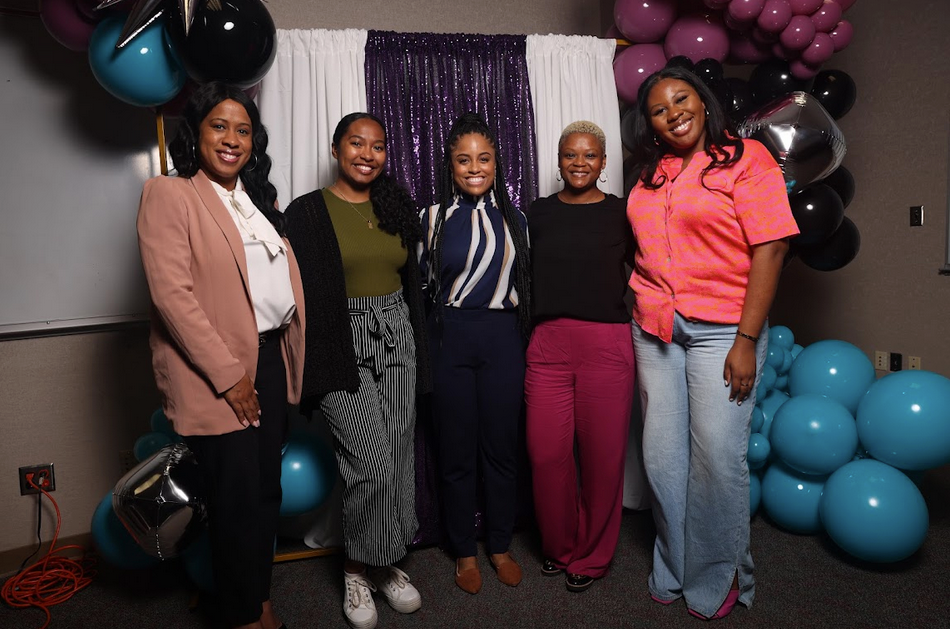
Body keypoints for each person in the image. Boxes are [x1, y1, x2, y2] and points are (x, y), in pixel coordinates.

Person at [626, 65, 799, 620]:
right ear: (649, 123)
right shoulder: (650, 173)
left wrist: (747, 339)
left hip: (724, 329)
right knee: (661, 457)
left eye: (682, 99)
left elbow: (770, 249)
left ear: (702, 104)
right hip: (655, 326)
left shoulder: (747, 159)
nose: (673, 111)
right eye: (659, 107)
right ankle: (674, 567)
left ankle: (722, 577)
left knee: (717, 459)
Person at [137, 81, 304, 629]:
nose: (232, 139)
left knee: (264, 494)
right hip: (223, 373)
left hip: (270, 362)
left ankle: (257, 601)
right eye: (219, 126)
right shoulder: (172, 194)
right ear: (197, 132)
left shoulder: (258, 201)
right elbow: (173, 297)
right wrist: (231, 377)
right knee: (235, 501)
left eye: (243, 129)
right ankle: (244, 616)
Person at [284, 112, 430, 629]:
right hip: (337, 342)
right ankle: (354, 568)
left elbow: (413, 284)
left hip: (396, 334)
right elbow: (290, 294)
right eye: (356, 143)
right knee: (367, 460)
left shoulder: (396, 207)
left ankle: (385, 563)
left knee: (396, 454)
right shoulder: (306, 212)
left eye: (378, 146)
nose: (367, 154)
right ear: (335, 148)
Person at [419, 112, 531, 594]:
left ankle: (500, 545)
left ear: (496, 162)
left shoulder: (517, 217)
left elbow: (527, 285)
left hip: (503, 337)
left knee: (502, 449)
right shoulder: (432, 218)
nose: (473, 167)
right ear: (450, 164)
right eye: (463, 159)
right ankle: (465, 551)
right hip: (452, 337)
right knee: (457, 450)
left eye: (483, 158)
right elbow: (422, 288)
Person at [524, 121, 635, 593]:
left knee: (603, 459)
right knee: (547, 455)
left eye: (590, 155)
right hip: (547, 344)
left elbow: (652, 269)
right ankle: (559, 545)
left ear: (604, 163)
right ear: (558, 160)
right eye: (570, 155)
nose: (579, 163)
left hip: (607, 346)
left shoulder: (622, 214)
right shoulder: (537, 212)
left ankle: (591, 557)